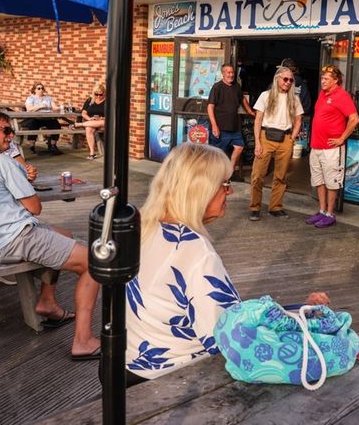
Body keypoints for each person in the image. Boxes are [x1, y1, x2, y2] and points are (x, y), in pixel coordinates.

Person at [125, 142, 329, 385]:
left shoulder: (144, 229)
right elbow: (230, 339)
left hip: (130, 366)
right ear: (201, 189)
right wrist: (306, 321)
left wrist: (295, 310)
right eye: (225, 184)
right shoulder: (194, 252)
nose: (229, 192)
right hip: (175, 380)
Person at [0, 110, 101, 360]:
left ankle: (48, 303)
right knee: (93, 262)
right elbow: (34, 207)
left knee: (65, 234)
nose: (11, 137)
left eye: (12, 131)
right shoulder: (3, 162)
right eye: (5, 130)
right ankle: (83, 341)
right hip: (15, 237)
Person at [305, 65, 359, 229]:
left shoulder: (342, 96)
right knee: (319, 180)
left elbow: (354, 119)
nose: (323, 81)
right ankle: (321, 211)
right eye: (322, 78)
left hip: (331, 149)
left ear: (336, 80)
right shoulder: (323, 94)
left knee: (331, 182)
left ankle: (330, 213)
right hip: (316, 146)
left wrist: (341, 138)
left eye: (326, 79)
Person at [248, 66, 304, 221]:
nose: (288, 82)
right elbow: (258, 119)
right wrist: (257, 143)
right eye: (285, 79)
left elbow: (299, 120)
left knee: (280, 176)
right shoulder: (265, 96)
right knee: (257, 175)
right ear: (277, 79)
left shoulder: (294, 99)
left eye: (291, 80)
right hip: (266, 136)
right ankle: (255, 207)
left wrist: (292, 138)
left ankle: (275, 207)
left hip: (285, 139)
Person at [207, 64, 256, 178]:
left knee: (239, 147)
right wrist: (214, 126)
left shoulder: (236, 86)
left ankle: (229, 172)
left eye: (232, 72)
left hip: (234, 126)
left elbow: (242, 99)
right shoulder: (217, 87)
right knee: (218, 154)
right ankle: (215, 176)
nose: (231, 74)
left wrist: (250, 111)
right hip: (220, 127)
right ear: (223, 74)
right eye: (228, 72)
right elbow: (210, 107)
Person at [23, 82, 63, 155]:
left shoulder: (48, 98)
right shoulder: (31, 98)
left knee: (56, 125)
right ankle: (32, 146)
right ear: (34, 90)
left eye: (42, 88)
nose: (41, 90)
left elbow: (54, 107)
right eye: (39, 88)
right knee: (32, 125)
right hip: (35, 118)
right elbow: (29, 109)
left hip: (48, 118)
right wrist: (41, 106)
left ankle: (53, 145)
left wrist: (60, 107)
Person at [70, 82, 106, 160]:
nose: (98, 96)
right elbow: (83, 112)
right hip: (91, 121)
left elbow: (111, 115)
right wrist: (89, 119)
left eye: (101, 94)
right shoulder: (90, 100)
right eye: (96, 94)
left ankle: (78, 124)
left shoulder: (107, 101)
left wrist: (101, 118)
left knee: (100, 122)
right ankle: (92, 153)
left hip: (103, 123)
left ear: (104, 93)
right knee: (88, 128)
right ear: (94, 93)